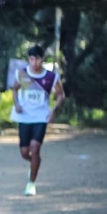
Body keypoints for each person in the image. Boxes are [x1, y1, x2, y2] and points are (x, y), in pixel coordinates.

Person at [10, 44, 65, 196]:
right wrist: (17, 104)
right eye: (31, 59)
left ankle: (31, 183)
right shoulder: (21, 74)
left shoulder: (51, 77)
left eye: (37, 59)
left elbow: (61, 95)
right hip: (24, 117)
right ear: (29, 59)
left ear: (42, 59)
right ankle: (35, 164)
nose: (34, 62)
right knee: (24, 152)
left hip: (41, 117)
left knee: (35, 148)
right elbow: (14, 89)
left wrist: (53, 110)